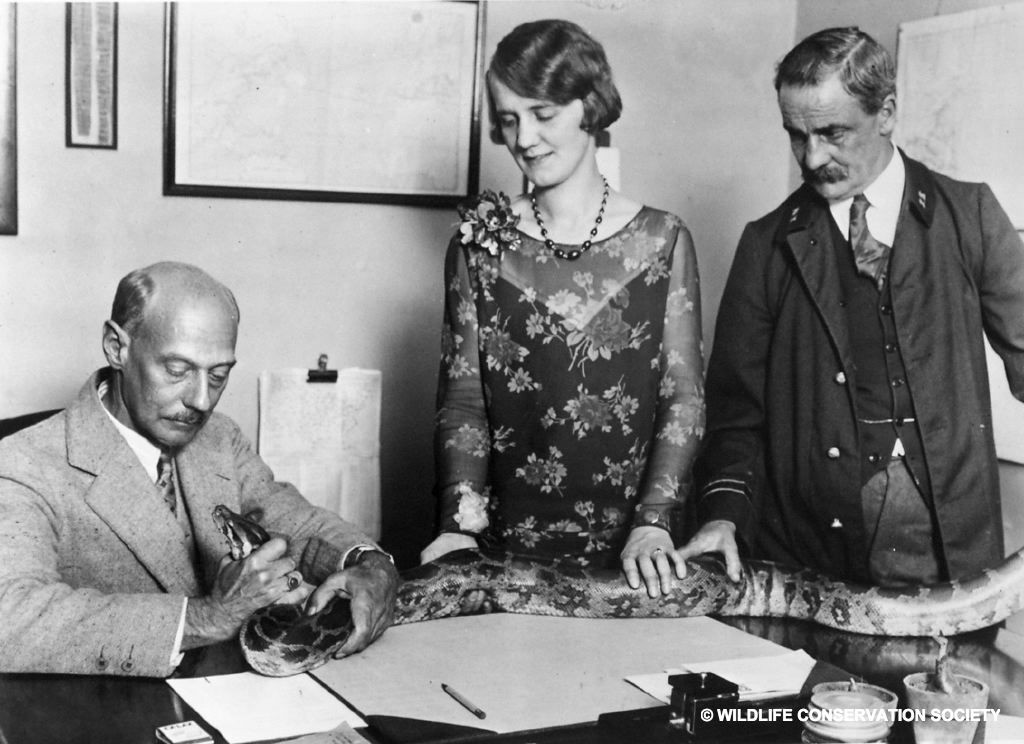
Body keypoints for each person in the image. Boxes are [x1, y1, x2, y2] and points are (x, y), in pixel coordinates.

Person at [679, 27, 1024, 587]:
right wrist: (722, 514)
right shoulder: (766, 244)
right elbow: (734, 414)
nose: (813, 158)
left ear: (885, 112)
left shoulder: (971, 215)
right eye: (797, 135)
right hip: (809, 553)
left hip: (950, 554)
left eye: (833, 133)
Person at [0, 262, 399, 676]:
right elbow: (9, 619)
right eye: (178, 371)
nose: (202, 401)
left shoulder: (220, 438)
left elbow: (291, 518)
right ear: (117, 347)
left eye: (219, 375)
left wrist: (372, 562)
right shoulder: (22, 464)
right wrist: (207, 617)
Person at [420, 19, 705, 598]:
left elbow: (684, 396)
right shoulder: (476, 246)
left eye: (542, 113)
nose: (523, 138)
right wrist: (457, 526)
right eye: (508, 118)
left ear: (590, 107)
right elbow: (464, 402)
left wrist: (654, 523)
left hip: (634, 559)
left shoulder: (663, 239)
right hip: (503, 555)